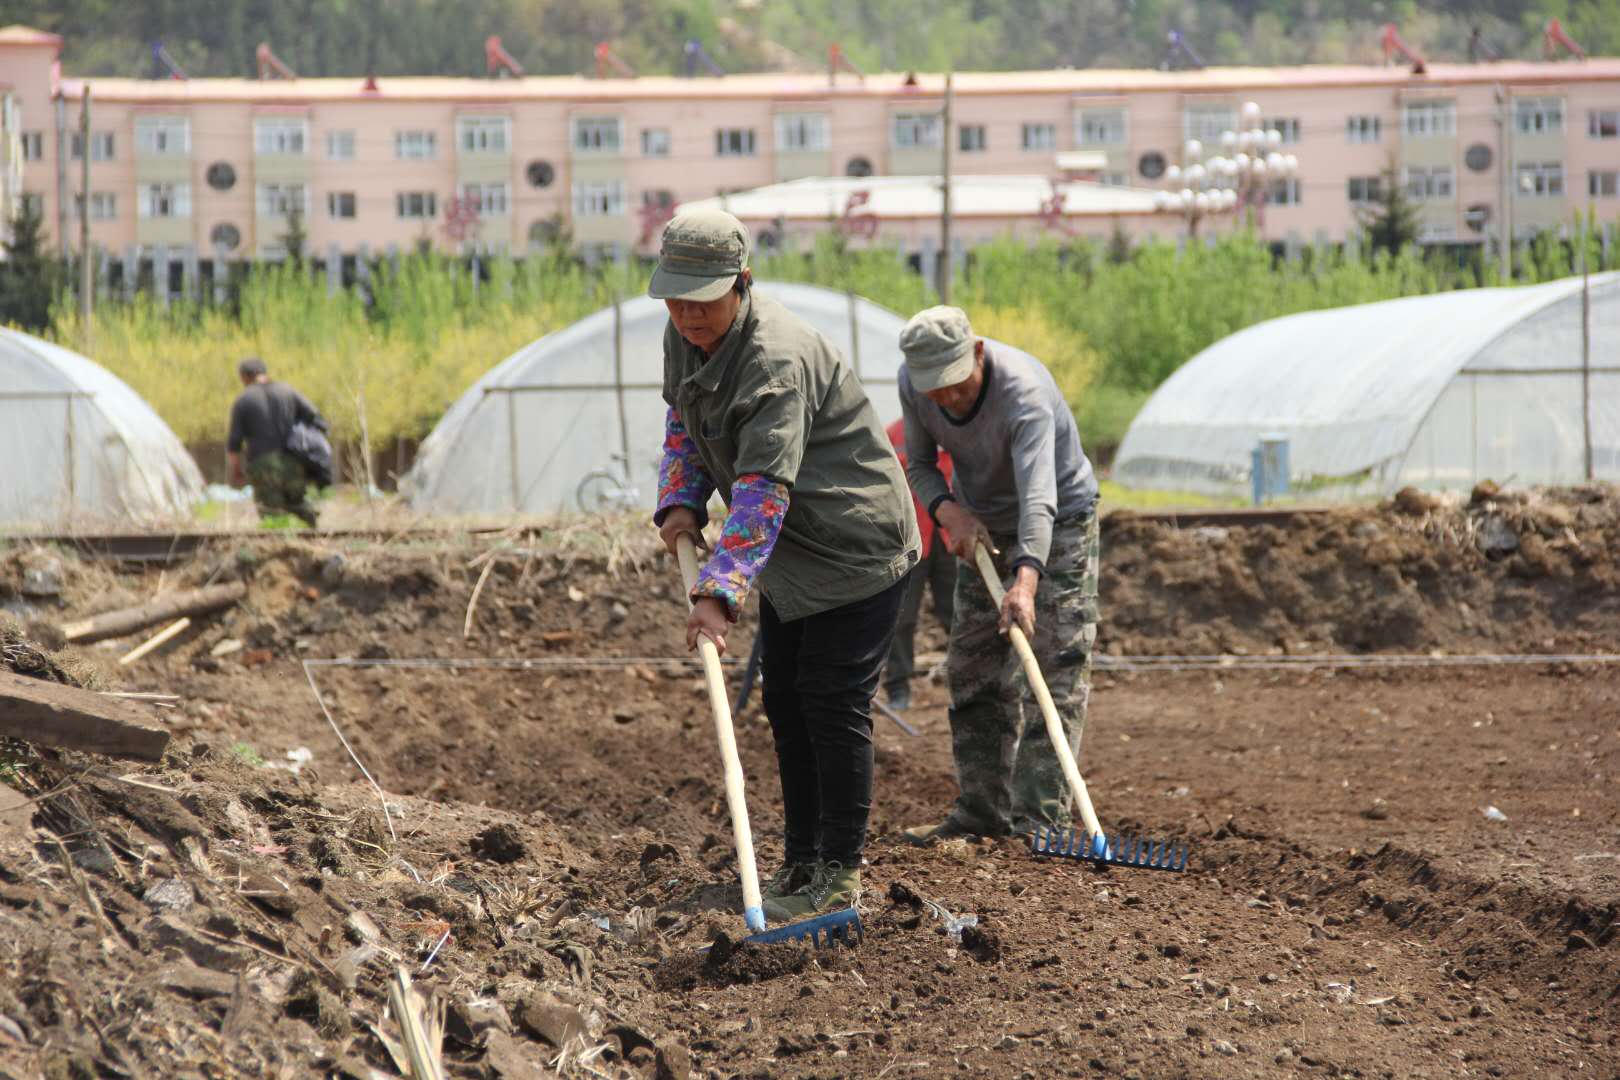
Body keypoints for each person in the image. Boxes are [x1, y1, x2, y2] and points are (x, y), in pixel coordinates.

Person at [650, 209, 919, 922]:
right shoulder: (684, 337)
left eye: (703, 301)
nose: (687, 315)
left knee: (831, 703)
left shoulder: (776, 358)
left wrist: (719, 593)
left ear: (741, 283)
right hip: (789, 549)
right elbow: (684, 420)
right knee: (786, 704)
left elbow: (764, 488)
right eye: (676, 299)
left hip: (852, 542)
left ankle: (837, 874)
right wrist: (679, 501)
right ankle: (800, 863)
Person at [895, 306, 1101, 845]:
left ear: (979, 353)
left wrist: (1026, 582)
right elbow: (917, 464)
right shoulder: (914, 385)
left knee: (1054, 667)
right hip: (980, 523)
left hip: (1059, 522)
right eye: (935, 389)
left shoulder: (1024, 395)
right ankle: (981, 812)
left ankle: (1042, 824)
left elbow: (1040, 498)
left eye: (956, 385)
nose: (947, 399)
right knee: (972, 668)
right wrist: (948, 511)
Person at [880, 417, 955, 710]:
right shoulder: (894, 433)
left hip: (951, 538)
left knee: (957, 614)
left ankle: (968, 681)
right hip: (908, 539)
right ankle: (898, 687)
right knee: (901, 617)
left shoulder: (955, 428)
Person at [226, 357, 328, 527]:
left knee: (271, 516)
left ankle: (279, 548)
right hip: (293, 462)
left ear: (244, 377)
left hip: (262, 465)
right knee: (298, 504)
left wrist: (236, 471)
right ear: (264, 372)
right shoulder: (288, 391)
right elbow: (318, 420)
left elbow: (234, 443)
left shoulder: (243, 400)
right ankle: (313, 536)